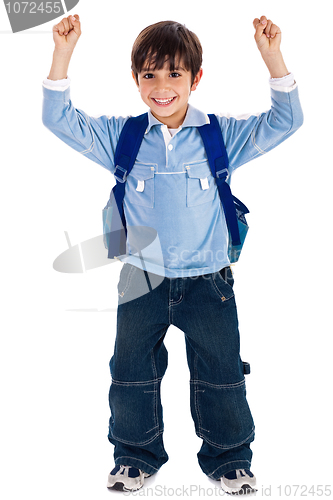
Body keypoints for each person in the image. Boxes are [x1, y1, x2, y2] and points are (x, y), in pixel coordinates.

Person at [42, 13, 303, 494]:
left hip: (210, 281)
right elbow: (58, 118)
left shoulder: (219, 135)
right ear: (136, 79)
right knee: (131, 372)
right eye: (149, 74)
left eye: (175, 74)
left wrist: (271, 57)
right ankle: (134, 457)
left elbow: (287, 120)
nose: (162, 86)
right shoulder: (123, 137)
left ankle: (229, 460)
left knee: (221, 373)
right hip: (140, 278)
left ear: (196, 78)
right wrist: (63, 53)